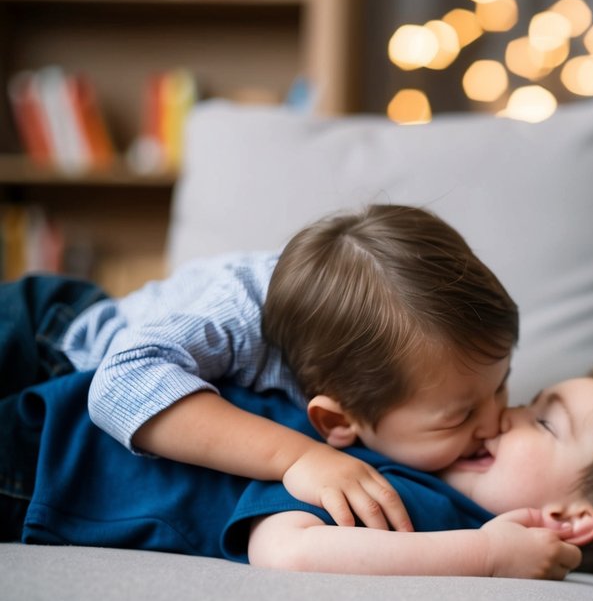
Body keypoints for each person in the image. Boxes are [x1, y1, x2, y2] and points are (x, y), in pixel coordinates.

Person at [0, 205, 517, 534]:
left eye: (503, 385)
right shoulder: (238, 312)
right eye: (461, 414)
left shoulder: (373, 352)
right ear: (334, 422)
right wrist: (296, 458)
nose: (498, 420)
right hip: (45, 342)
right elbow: (120, 384)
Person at [6, 360, 593, 587]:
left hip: (51, 466)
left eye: (541, 423)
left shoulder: (426, 511)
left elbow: (289, 551)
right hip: (74, 428)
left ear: (564, 521)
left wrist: (491, 553)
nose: (503, 415)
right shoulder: (422, 461)